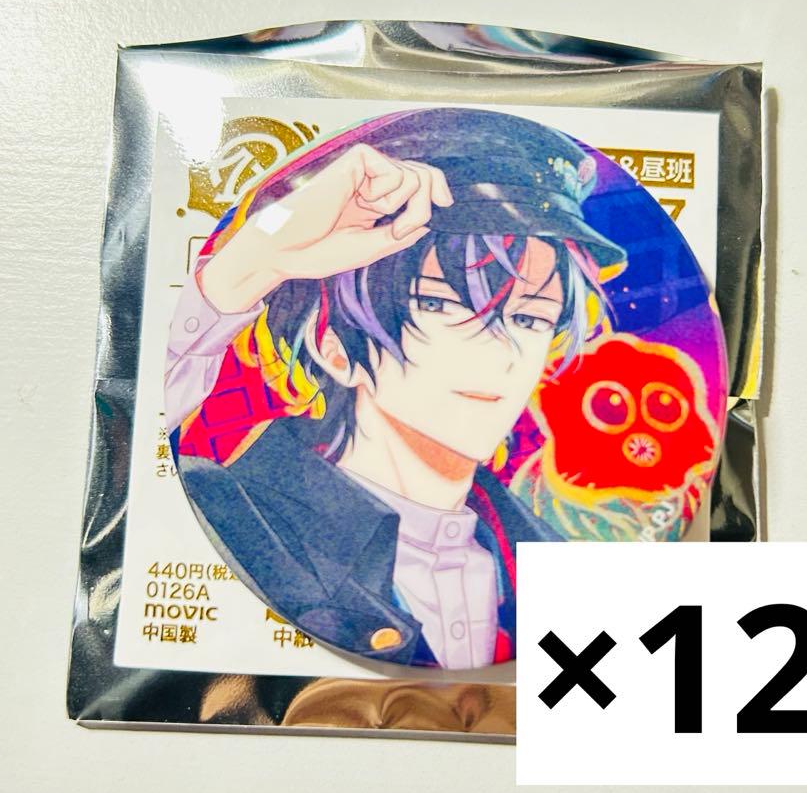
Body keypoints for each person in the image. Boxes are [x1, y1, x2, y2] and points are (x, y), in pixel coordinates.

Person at [165, 108, 626, 668]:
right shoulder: (234, 514)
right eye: (440, 304)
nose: (499, 351)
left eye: (529, 319)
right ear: (335, 347)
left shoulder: (561, 567)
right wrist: (256, 260)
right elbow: (126, 440)